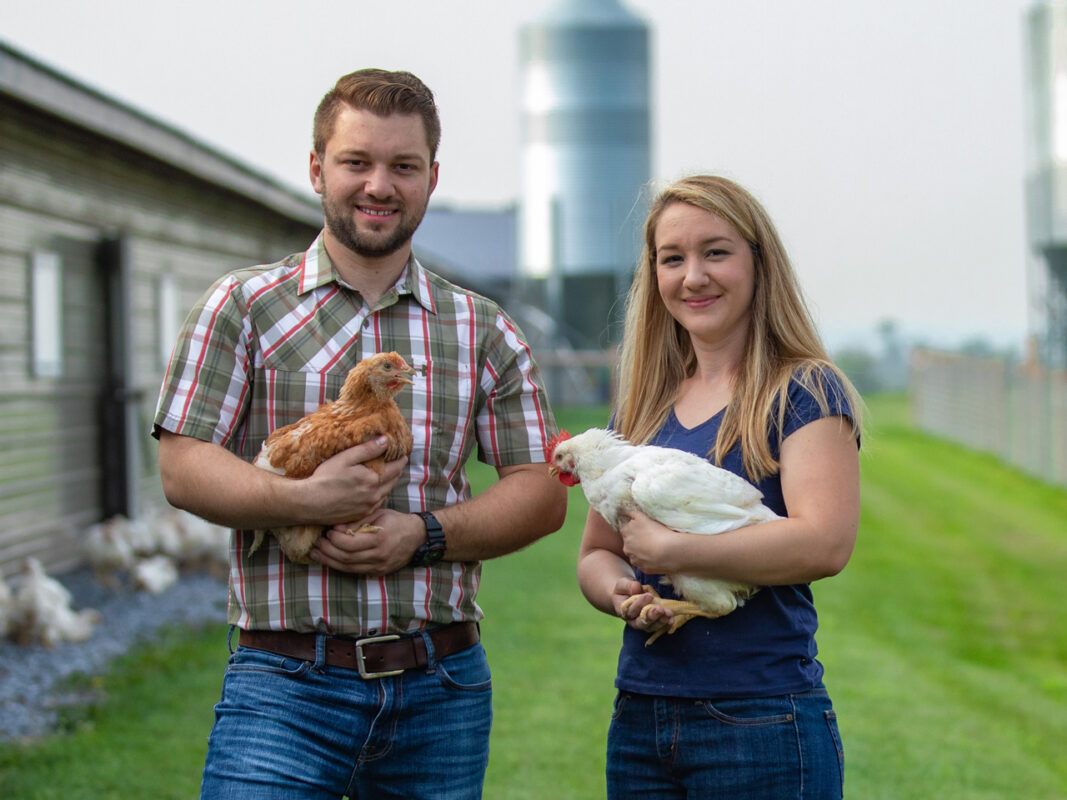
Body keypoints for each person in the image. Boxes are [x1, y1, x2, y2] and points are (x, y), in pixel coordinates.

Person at [153, 68, 566, 799]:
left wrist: (421, 534)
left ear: (431, 178)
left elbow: (539, 492)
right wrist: (308, 502)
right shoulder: (242, 308)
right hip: (283, 680)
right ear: (317, 169)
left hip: (438, 685)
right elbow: (183, 466)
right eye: (356, 162)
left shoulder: (483, 329)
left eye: (402, 166)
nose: (379, 185)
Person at [576, 175, 862, 799]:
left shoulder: (803, 391)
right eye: (672, 258)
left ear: (760, 263)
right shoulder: (643, 408)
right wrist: (621, 594)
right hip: (642, 717)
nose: (693, 277)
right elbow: (597, 553)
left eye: (716, 252)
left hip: (760, 718)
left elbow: (825, 543)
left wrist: (676, 554)